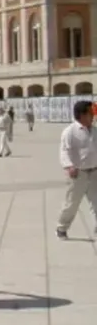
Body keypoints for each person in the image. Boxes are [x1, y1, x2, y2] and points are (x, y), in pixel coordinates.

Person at [56, 99, 97, 240]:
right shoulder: (70, 132)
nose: (93, 115)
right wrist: (69, 166)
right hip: (77, 174)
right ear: (81, 115)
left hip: (94, 172)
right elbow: (64, 151)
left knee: (96, 202)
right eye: (90, 113)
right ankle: (61, 228)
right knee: (71, 204)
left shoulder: (95, 130)